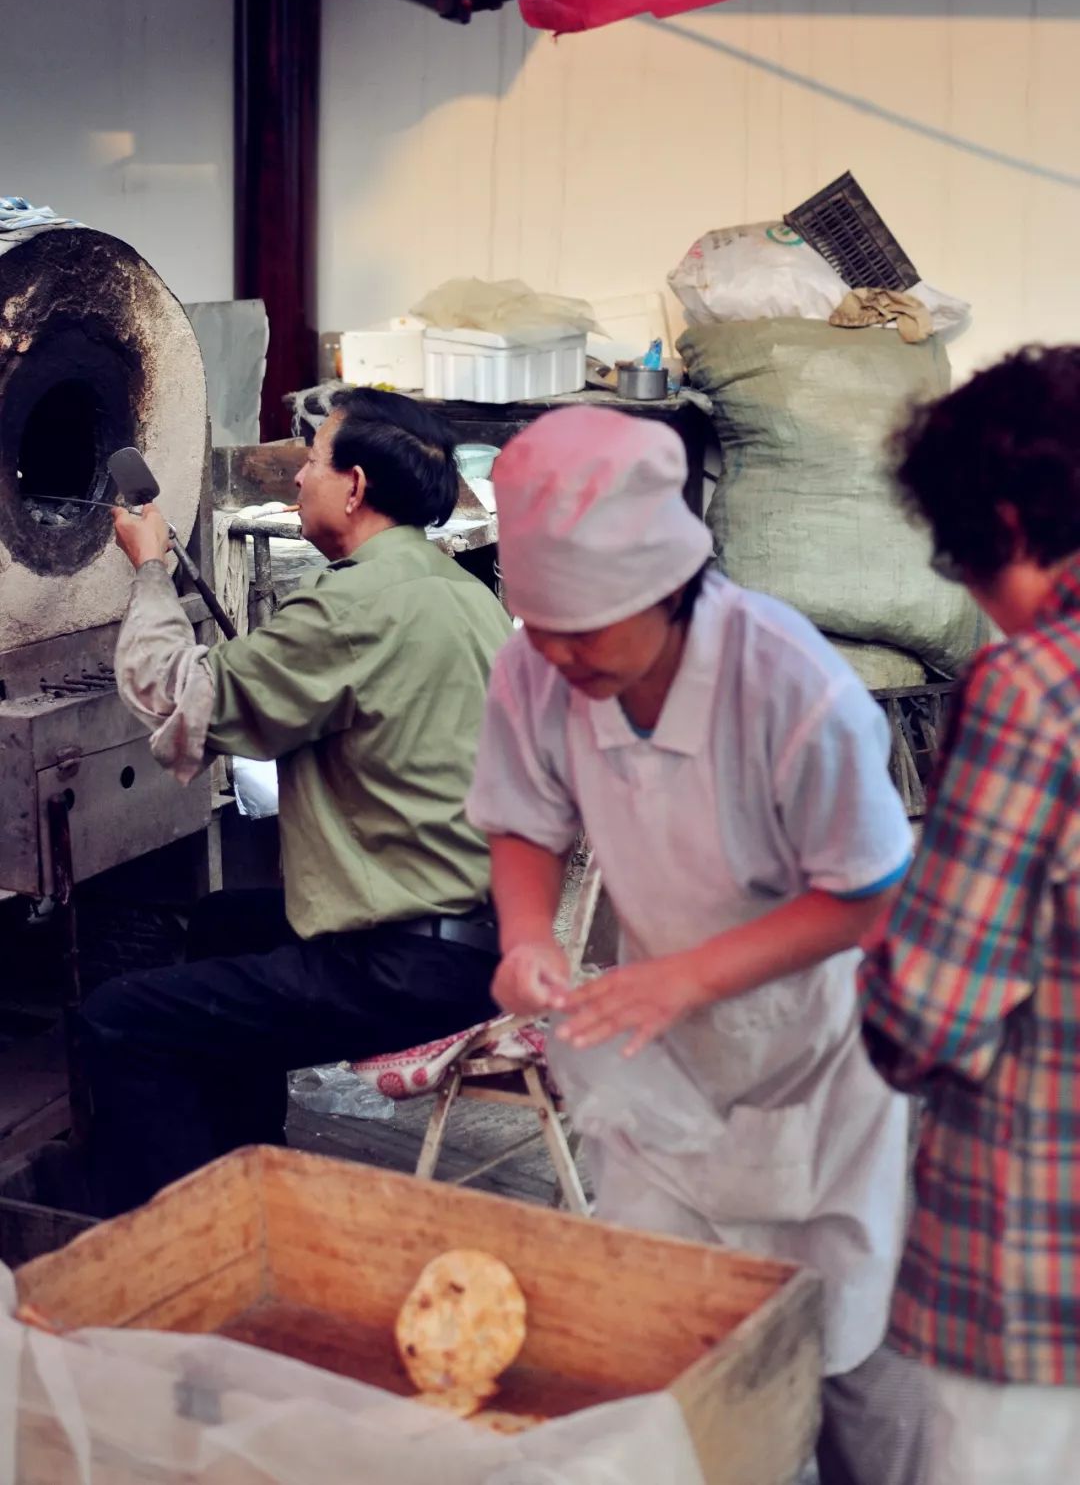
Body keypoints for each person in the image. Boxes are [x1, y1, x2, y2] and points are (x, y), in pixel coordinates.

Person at [465, 405, 928, 1484]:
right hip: (667, 1070)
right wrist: (526, 934)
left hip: (823, 1062)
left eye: (588, 627)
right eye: (541, 624)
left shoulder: (791, 686)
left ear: (669, 590)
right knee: (664, 1333)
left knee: (849, 1345)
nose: (561, 652)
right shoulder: (536, 667)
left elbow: (866, 892)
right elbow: (525, 821)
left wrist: (685, 976)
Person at [80, 388, 511, 1214]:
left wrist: (150, 570)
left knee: (118, 1018)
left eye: (312, 463)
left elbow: (179, 698)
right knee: (220, 926)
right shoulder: (463, 593)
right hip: (483, 939)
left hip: (406, 968)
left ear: (353, 488)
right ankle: (251, 1173)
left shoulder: (349, 609)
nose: (298, 481)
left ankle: (185, 1245)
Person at [860, 346, 1080, 1485]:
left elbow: (929, 1016)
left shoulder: (1034, 690)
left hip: (1039, 1263)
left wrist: (879, 942)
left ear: (1007, 522)